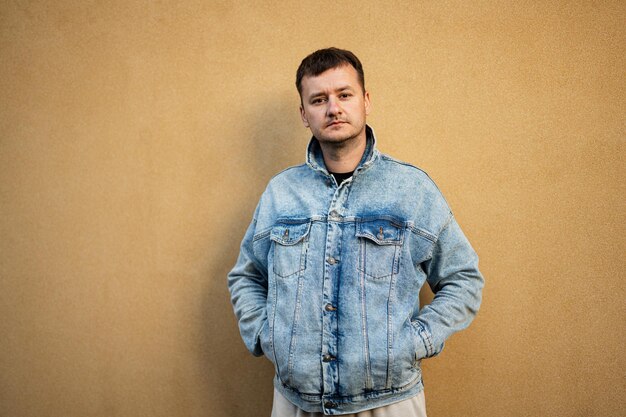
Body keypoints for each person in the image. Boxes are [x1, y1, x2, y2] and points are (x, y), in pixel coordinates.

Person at [227, 47, 484, 416]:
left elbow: (464, 278)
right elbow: (246, 277)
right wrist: (269, 337)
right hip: (296, 401)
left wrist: (413, 342)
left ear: (365, 101)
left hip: (389, 401)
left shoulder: (412, 191)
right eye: (319, 99)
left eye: (344, 95)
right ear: (304, 114)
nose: (333, 108)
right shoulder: (280, 194)